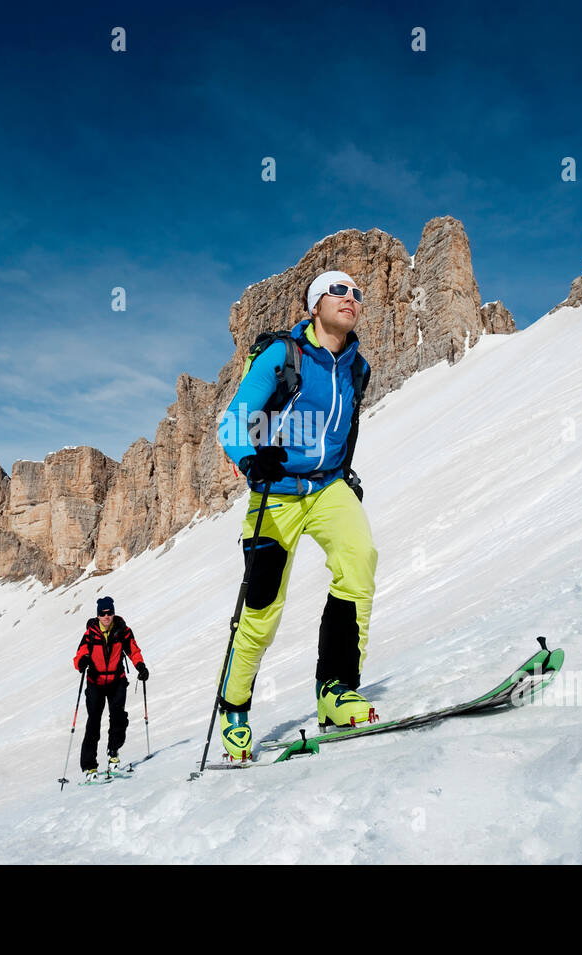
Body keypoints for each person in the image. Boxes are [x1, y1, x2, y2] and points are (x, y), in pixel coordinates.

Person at [213, 269, 378, 760]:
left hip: (328, 486)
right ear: (314, 305)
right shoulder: (282, 355)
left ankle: (336, 689)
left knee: (359, 561)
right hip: (277, 493)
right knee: (262, 607)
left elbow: (343, 430)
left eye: (357, 293)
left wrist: (344, 472)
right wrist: (250, 459)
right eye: (339, 291)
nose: (350, 299)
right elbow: (234, 420)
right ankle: (236, 709)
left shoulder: (356, 367)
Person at [72, 596, 148, 778]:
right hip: (95, 683)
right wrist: (81, 662)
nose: (106, 617)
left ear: (113, 613)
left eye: (109, 613)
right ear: (98, 615)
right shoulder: (90, 634)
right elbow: (79, 654)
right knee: (93, 723)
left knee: (119, 718)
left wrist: (141, 666)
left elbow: (133, 651)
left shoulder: (123, 631)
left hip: (116, 681)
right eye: (103, 614)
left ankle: (113, 752)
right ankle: (89, 767)